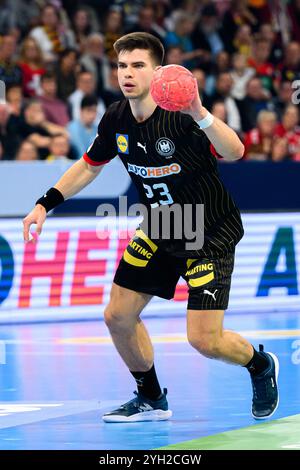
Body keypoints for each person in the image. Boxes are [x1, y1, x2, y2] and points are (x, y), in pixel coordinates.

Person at [23, 32, 279, 423]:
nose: (127, 73)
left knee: (204, 340)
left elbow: (235, 151)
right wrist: (45, 203)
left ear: (158, 71)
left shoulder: (181, 114)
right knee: (117, 316)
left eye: (137, 65)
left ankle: (259, 364)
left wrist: (200, 112)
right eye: (122, 66)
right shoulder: (116, 118)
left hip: (209, 230)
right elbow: (90, 166)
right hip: (162, 225)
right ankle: (151, 397)